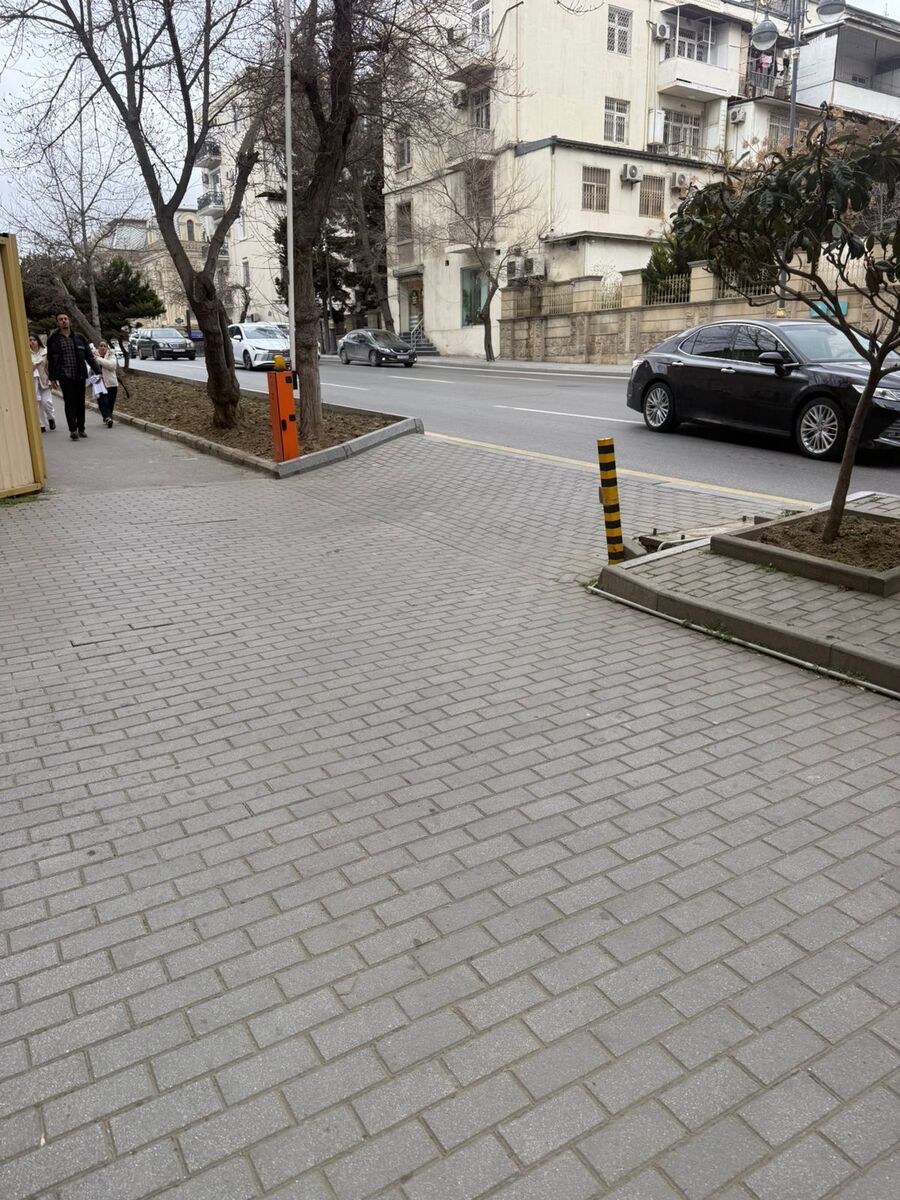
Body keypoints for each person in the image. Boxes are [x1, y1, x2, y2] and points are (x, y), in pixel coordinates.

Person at [46, 312, 100, 441]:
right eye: (61, 319)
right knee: (70, 402)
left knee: (80, 402)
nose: (64, 321)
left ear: (69, 321)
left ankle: (81, 428)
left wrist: (98, 371)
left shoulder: (79, 338)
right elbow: (51, 360)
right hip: (64, 376)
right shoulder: (53, 340)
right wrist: (52, 378)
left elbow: (89, 357)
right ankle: (73, 430)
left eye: (65, 319)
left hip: (79, 374)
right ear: (57, 323)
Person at [28, 334, 56, 432]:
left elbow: (50, 367)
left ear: (38, 341)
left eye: (34, 340)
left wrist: (52, 380)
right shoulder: (26, 353)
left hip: (45, 380)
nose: (32, 342)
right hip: (33, 382)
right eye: (30, 340)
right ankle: (41, 424)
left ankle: (51, 418)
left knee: (47, 402)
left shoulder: (45, 351)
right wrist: (35, 363)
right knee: (37, 404)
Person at [94, 341, 119, 427]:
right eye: (101, 346)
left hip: (112, 383)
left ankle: (108, 417)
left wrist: (98, 359)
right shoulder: (93, 356)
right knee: (103, 402)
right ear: (98, 347)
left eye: (105, 346)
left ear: (107, 348)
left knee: (110, 403)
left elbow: (112, 366)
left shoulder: (111, 355)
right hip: (99, 384)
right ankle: (108, 418)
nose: (103, 347)